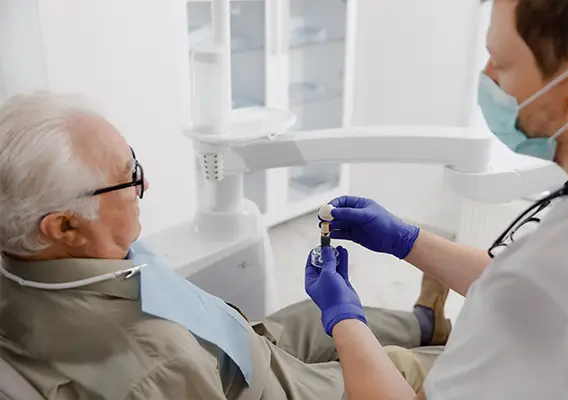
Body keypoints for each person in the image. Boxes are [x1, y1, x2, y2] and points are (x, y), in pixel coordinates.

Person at [0, 91, 450, 400]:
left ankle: (425, 321)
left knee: (318, 315)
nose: (145, 183)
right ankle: (436, 351)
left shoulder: (36, 262)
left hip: (231, 340)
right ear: (65, 226)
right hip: (254, 386)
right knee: (413, 368)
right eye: (128, 176)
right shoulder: (154, 366)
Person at [304, 0, 568, 398]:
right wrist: (406, 240)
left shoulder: (546, 275)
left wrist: (343, 318)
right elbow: (526, 289)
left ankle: (422, 324)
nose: (488, 78)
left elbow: (535, 289)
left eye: (501, 63)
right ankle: (426, 322)